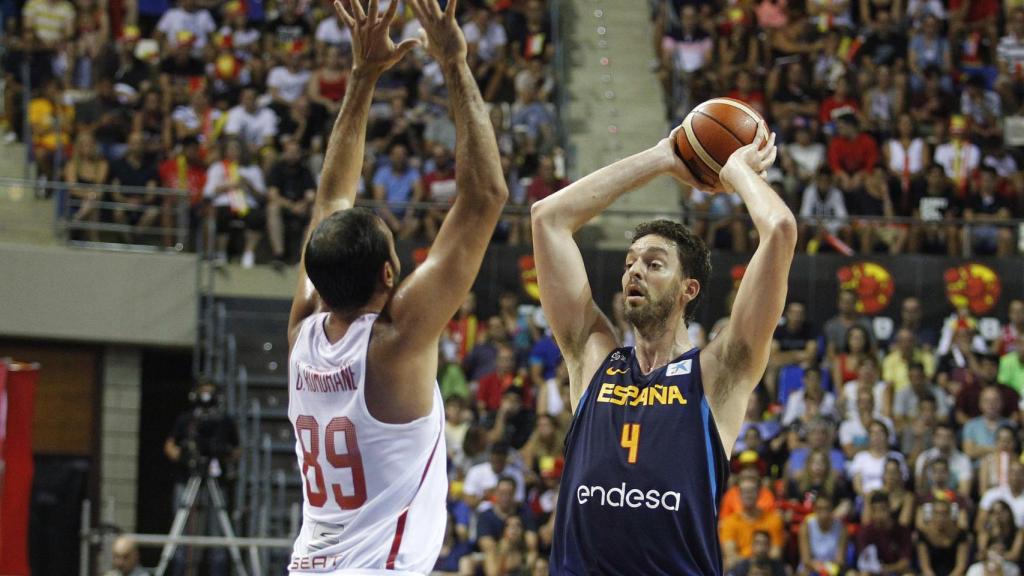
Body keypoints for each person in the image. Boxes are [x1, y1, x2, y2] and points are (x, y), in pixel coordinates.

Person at [285, 0, 507, 571]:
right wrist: (455, 62)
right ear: (390, 274)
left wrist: (362, 77)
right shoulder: (393, 342)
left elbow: (331, 199)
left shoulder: (302, 329)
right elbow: (484, 196)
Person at [533, 92, 792, 573]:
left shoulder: (718, 373)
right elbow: (548, 218)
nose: (635, 272)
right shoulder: (593, 358)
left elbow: (778, 229)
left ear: (687, 288)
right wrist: (662, 158)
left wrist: (735, 169)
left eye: (654, 264)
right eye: (631, 263)